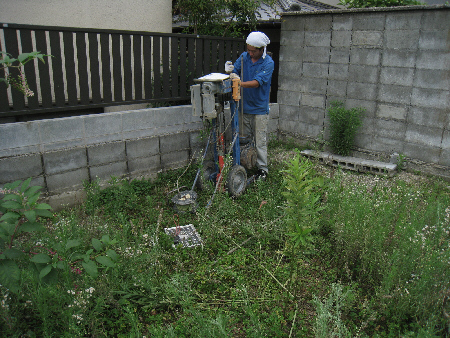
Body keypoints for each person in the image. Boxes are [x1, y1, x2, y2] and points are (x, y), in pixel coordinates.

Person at [225, 31, 274, 181]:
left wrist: (239, 83)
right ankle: (245, 165)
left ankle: (262, 170)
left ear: (261, 49)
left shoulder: (268, 63)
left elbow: (257, 82)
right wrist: (230, 71)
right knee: (243, 139)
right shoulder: (243, 58)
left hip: (259, 109)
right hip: (243, 107)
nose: (250, 53)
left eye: (253, 51)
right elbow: (236, 71)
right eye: (249, 50)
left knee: (260, 141)